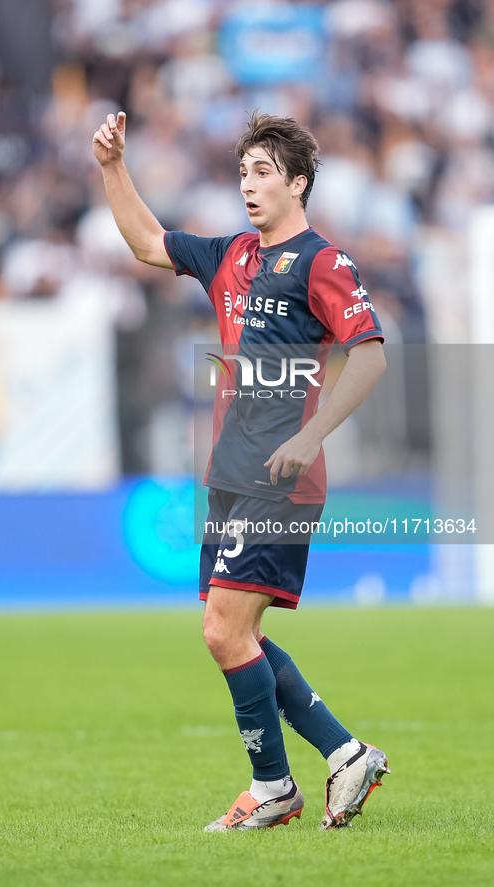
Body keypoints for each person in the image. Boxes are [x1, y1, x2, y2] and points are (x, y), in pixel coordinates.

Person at [93, 110, 390, 832]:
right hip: (230, 474)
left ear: (297, 182)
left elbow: (371, 354)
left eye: (262, 172)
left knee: (223, 633)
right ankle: (344, 752)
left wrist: (311, 434)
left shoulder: (322, 261)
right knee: (233, 632)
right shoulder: (229, 254)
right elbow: (145, 241)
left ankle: (272, 785)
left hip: (278, 474)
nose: (247, 186)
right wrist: (110, 165)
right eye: (241, 173)